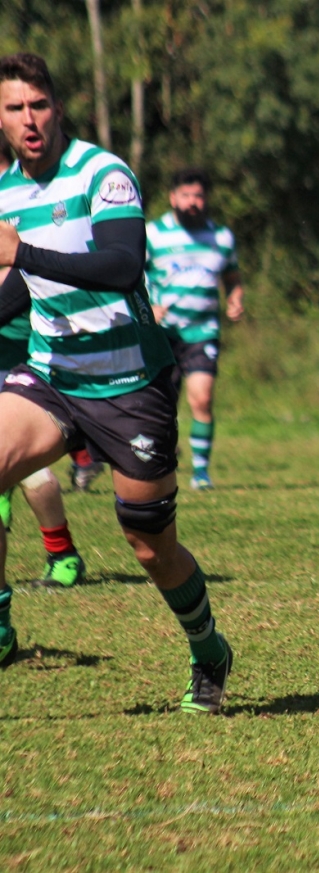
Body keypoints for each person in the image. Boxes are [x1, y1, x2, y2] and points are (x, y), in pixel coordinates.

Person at [0, 53, 233, 713]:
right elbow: (23, 285)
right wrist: (17, 272)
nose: (29, 120)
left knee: (148, 543)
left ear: (58, 106)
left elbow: (123, 266)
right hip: (50, 373)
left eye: (38, 105)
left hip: (131, 381)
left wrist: (23, 253)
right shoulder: (7, 193)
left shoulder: (103, 175)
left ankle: (207, 648)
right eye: (15, 108)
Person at [0, 143, 87, 588]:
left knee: (29, 468)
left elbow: (22, 281)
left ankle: (63, 555)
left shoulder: (18, 204)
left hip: (17, 353)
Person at [145, 167, 243, 491]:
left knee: (202, 398)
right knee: (163, 405)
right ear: (173, 198)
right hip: (165, 332)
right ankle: (165, 459)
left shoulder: (221, 237)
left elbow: (232, 277)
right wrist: (148, 306)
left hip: (203, 331)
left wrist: (235, 299)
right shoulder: (154, 234)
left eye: (198, 195)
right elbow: (130, 275)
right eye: (185, 195)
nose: (192, 202)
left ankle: (201, 473)